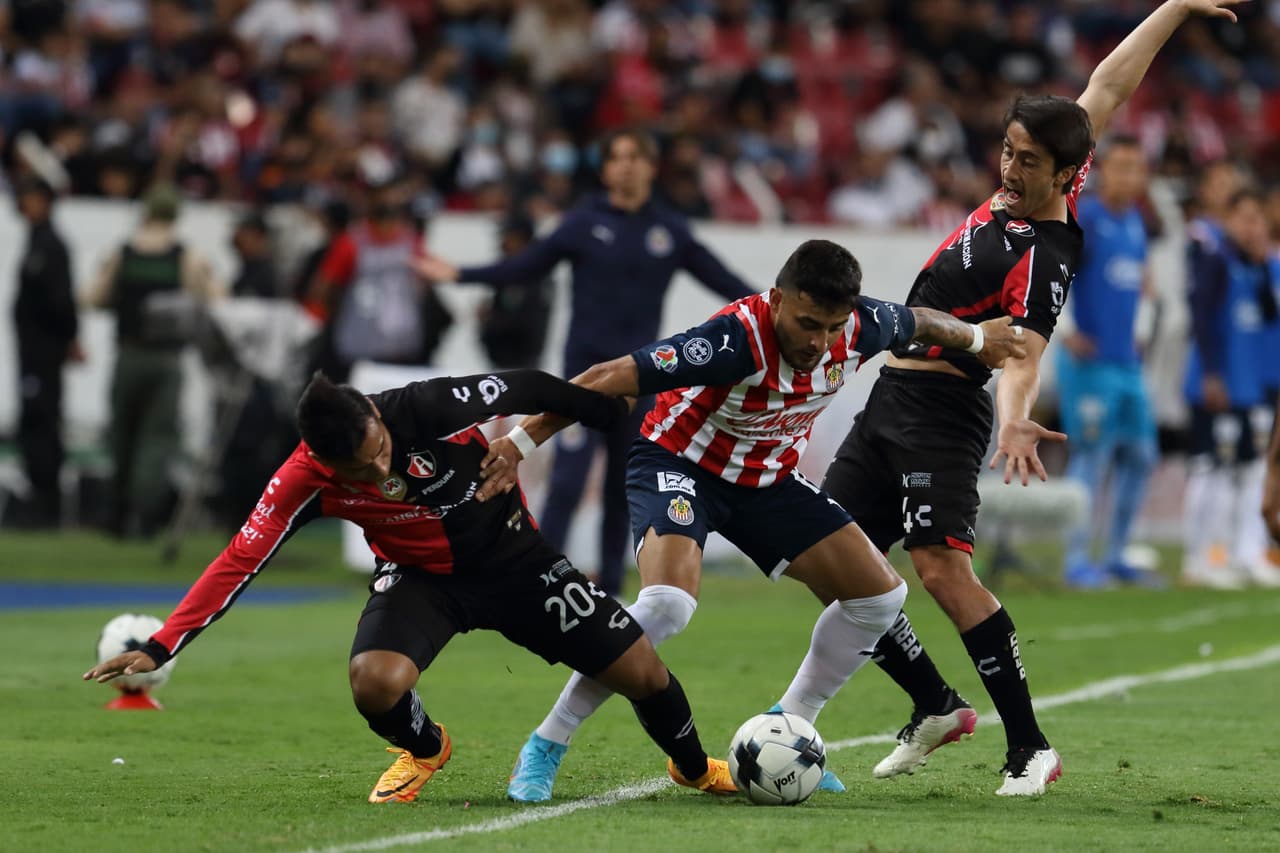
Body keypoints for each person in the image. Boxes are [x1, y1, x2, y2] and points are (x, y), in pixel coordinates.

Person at [819, 0, 1248, 797]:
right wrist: (1176, 9)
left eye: (1025, 162)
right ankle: (934, 703)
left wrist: (1016, 417)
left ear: (1061, 174)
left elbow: (1022, 352)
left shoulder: (1048, 255)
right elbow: (1107, 88)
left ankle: (1029, 747)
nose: (1008, 172)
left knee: (941, 572)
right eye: (1007, 152)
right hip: (888, 401)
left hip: (945, 412)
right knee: (826, 553)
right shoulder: (1054, 163)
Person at [476, 239, 1026, 803]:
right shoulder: (734, 339)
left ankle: (787, 729)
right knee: (667, 604)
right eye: (808, 323)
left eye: (832, 327)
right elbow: (608, 375)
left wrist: (983, 338)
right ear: (779, 299)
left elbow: (926, 322)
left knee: (880, 598)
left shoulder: (862, 326)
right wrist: (521, 442)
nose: (819, 342)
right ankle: (548, 742)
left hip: (764, 480)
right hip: (679, 463)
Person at [85, 369, 737, 803]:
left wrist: (600, 411)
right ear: (320, 458)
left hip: (516, 560)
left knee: (643, 670)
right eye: (359, 467)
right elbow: (238, 559)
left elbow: (528, 384)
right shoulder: (300, 480)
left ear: (375, 414)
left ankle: (694, 765)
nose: (378, 465)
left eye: (379, 448)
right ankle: (426, 747)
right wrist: (163, 644)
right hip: (422, 580)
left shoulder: (423, 405)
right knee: (373, 680)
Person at [413, 128, 755, 597]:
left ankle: (610, 589)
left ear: (652, 168)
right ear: (606, 169)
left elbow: (723, 279)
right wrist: (459, 274)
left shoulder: (670, 230)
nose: (627, 165)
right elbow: (526, 266)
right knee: (567, 484)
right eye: (618, 157)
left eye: (636, 155)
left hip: (640, 379)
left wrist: (774, 307)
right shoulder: (582, 223)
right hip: (580, 382)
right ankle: (538, 583)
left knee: (624, 488)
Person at [82, 183, 226, 537]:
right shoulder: (186, 257)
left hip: (129, 353)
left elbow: (92, 298)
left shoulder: (122, 253)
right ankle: (145, 516)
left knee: (122, 434)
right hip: (167, 359)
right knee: (157, 438)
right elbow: (218, 299)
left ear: (145, 213)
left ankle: (115, 514)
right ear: (175, 215)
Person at [1055, 136, 1162, 588]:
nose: (1125, 176)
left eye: (1133, 168)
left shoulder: (1135, 223)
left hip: (1125, 364)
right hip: (1090, 362)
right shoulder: (1087, 218)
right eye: (1117, 167)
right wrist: (1064, 329)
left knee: (1141, 454)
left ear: (1142, 177)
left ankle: (1116, 554)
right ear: (1104, 172)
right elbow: (1052, 272)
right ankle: (1076, 559)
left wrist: (1141, 333)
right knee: (1092, 456)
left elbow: (1142, 286)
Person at [1181, 189, 1280, 588]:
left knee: (1250, 472)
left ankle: (1244, 553)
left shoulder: (1265, 269)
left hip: (1253, 387)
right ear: (1228, 222)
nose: (1252, 228)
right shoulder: (1216, 261)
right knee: (1211, 470)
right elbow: (1201, 320)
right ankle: (1199, 558)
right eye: (1244, 219)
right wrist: (1210, 374)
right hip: (1218, 384)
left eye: (1258, 219)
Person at [11, 177, 79, 528]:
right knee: (35, 420)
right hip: (33, 353)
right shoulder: (38, 241)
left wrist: (70, 339)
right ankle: (39, 496)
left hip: (43, 354)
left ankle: (45, 503)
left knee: (42, 421)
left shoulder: (50, 245)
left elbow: (60, 301)